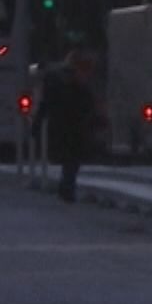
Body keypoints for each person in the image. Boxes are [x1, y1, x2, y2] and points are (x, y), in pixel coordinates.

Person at [34, 52, 99, 203]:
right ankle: (67, 189)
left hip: (62, 125)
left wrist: (38, 123)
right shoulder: (77, 86)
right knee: (72, 161)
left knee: (69, 160)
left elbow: (46, 104)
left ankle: (66, 189)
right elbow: (87, 106)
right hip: (73, 127)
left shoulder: (57, 82)